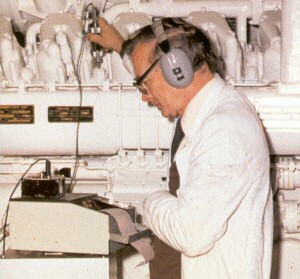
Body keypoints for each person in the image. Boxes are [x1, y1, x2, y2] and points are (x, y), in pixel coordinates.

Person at [89, 17, 273, 279]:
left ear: (177, 71)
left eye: (143, 83)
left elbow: (191, 233)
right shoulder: (209, 115)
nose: (145, 96)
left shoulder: (224, 132)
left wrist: (152, 201)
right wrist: (121, 46)